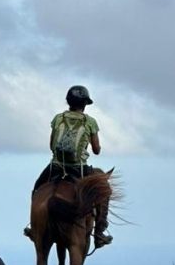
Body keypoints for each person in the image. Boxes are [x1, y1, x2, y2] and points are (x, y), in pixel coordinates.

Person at [25, 85, 112, 248]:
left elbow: (52, 145)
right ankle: (100, 232)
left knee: (38, 187)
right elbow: (96, 150)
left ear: (68, 102)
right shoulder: (90, 122)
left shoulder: (58, 118)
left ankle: (33, 226)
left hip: (56, 166)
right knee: (102, 191)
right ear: (85, 104)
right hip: (79, 169)